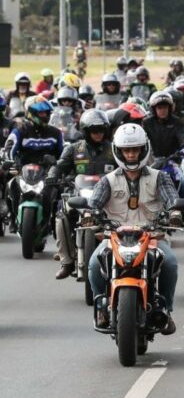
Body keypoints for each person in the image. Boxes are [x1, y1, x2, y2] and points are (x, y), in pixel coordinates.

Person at [86, 124, 183, 333]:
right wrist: (88, 214)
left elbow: (171, 198)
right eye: (126, 150)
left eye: (135, 149)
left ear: (143, 149)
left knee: (170, 264)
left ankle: (166, 310)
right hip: (115, 237)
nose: (131, 154)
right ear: (119, 152)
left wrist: (174, 212)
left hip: (151, 237)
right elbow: (94, 203)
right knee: (94, 265)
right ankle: (102, 308)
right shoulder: (108, 180)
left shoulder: (159, 177)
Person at [48, 109, 116, 279]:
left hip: (108, 197)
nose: (98, 133)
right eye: (94, 130)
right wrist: (52, 175)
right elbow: (60, 165)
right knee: (61, 215)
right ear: (86, 131)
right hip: (79, 195)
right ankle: (66, 261)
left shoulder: (114, 149)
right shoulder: (74, 149)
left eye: (101, 129)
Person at [7, 96, 64, 233]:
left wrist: (58, 165)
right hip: (23, 172)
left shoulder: (56, 133)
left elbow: (62, 155)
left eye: (47, 113)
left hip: (47, 174)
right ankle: (12, 217)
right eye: (42, 113)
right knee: (10, 185)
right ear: (32, 113)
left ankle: (55, 222)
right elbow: (10, 147)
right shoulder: (20, 130)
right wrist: (11, 161)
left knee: (60, 191)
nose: (45, 116)